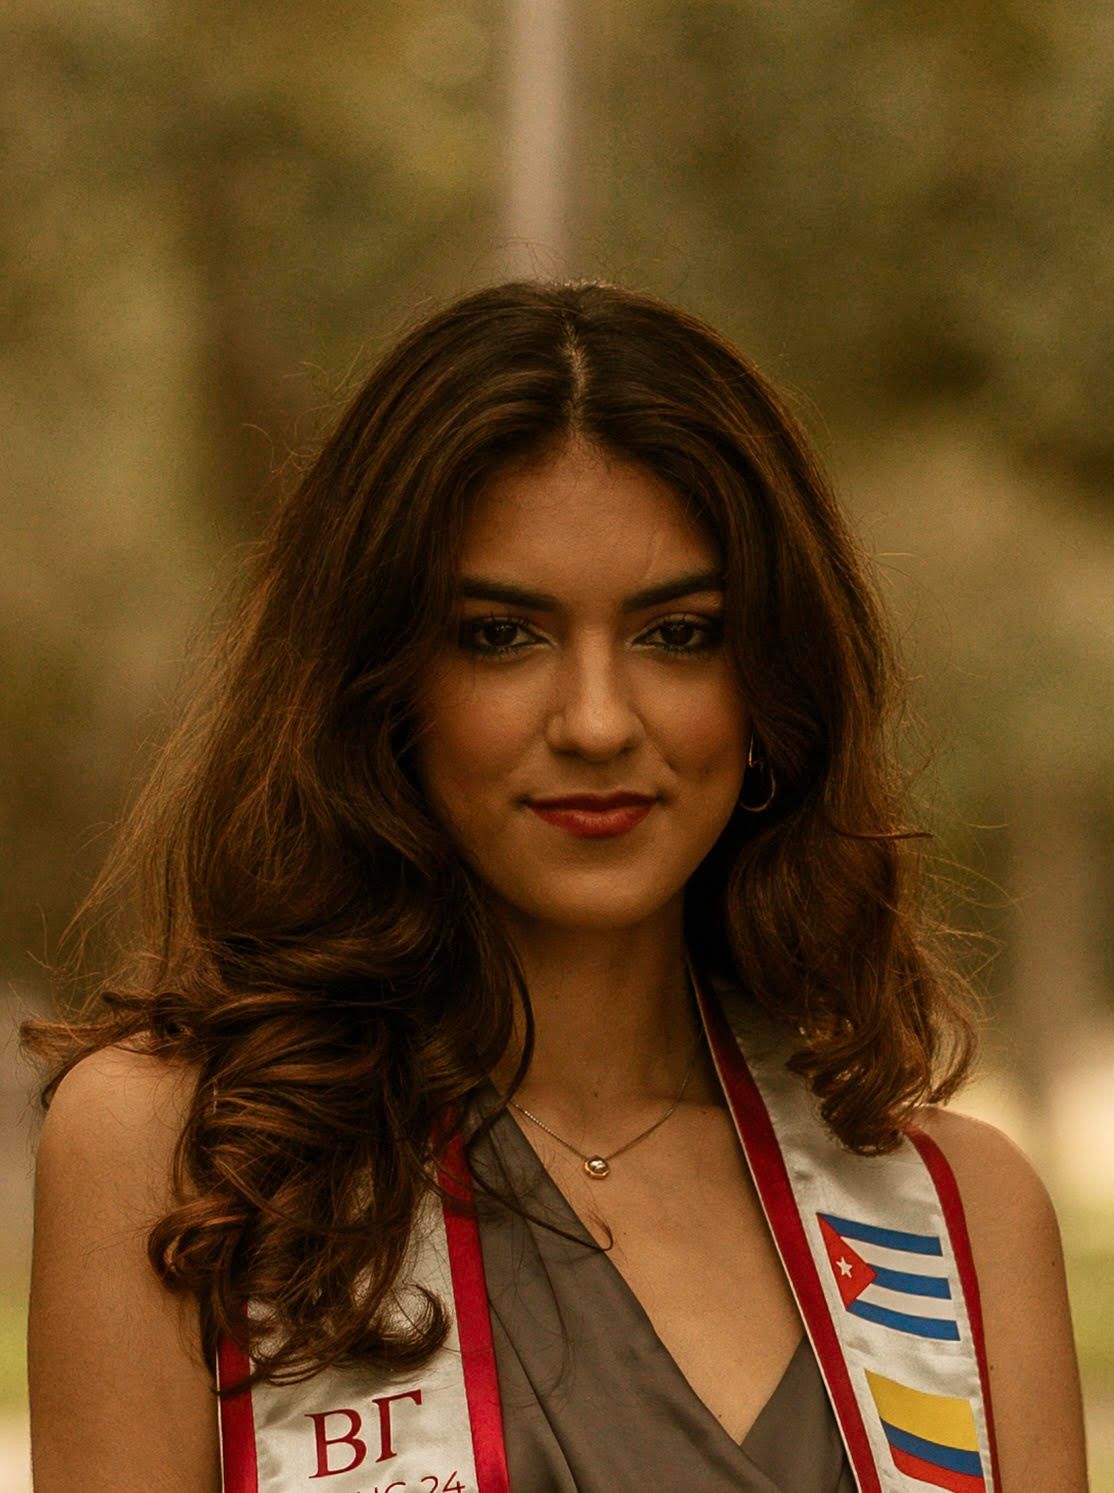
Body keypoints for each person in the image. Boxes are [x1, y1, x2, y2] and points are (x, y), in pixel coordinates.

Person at [25, 279, 1086, 1492]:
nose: (595, 720)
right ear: (381, 684)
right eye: (500, 634)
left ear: (770, 687)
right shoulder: (192, 1159)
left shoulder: (958, 1221)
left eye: (677, 632)